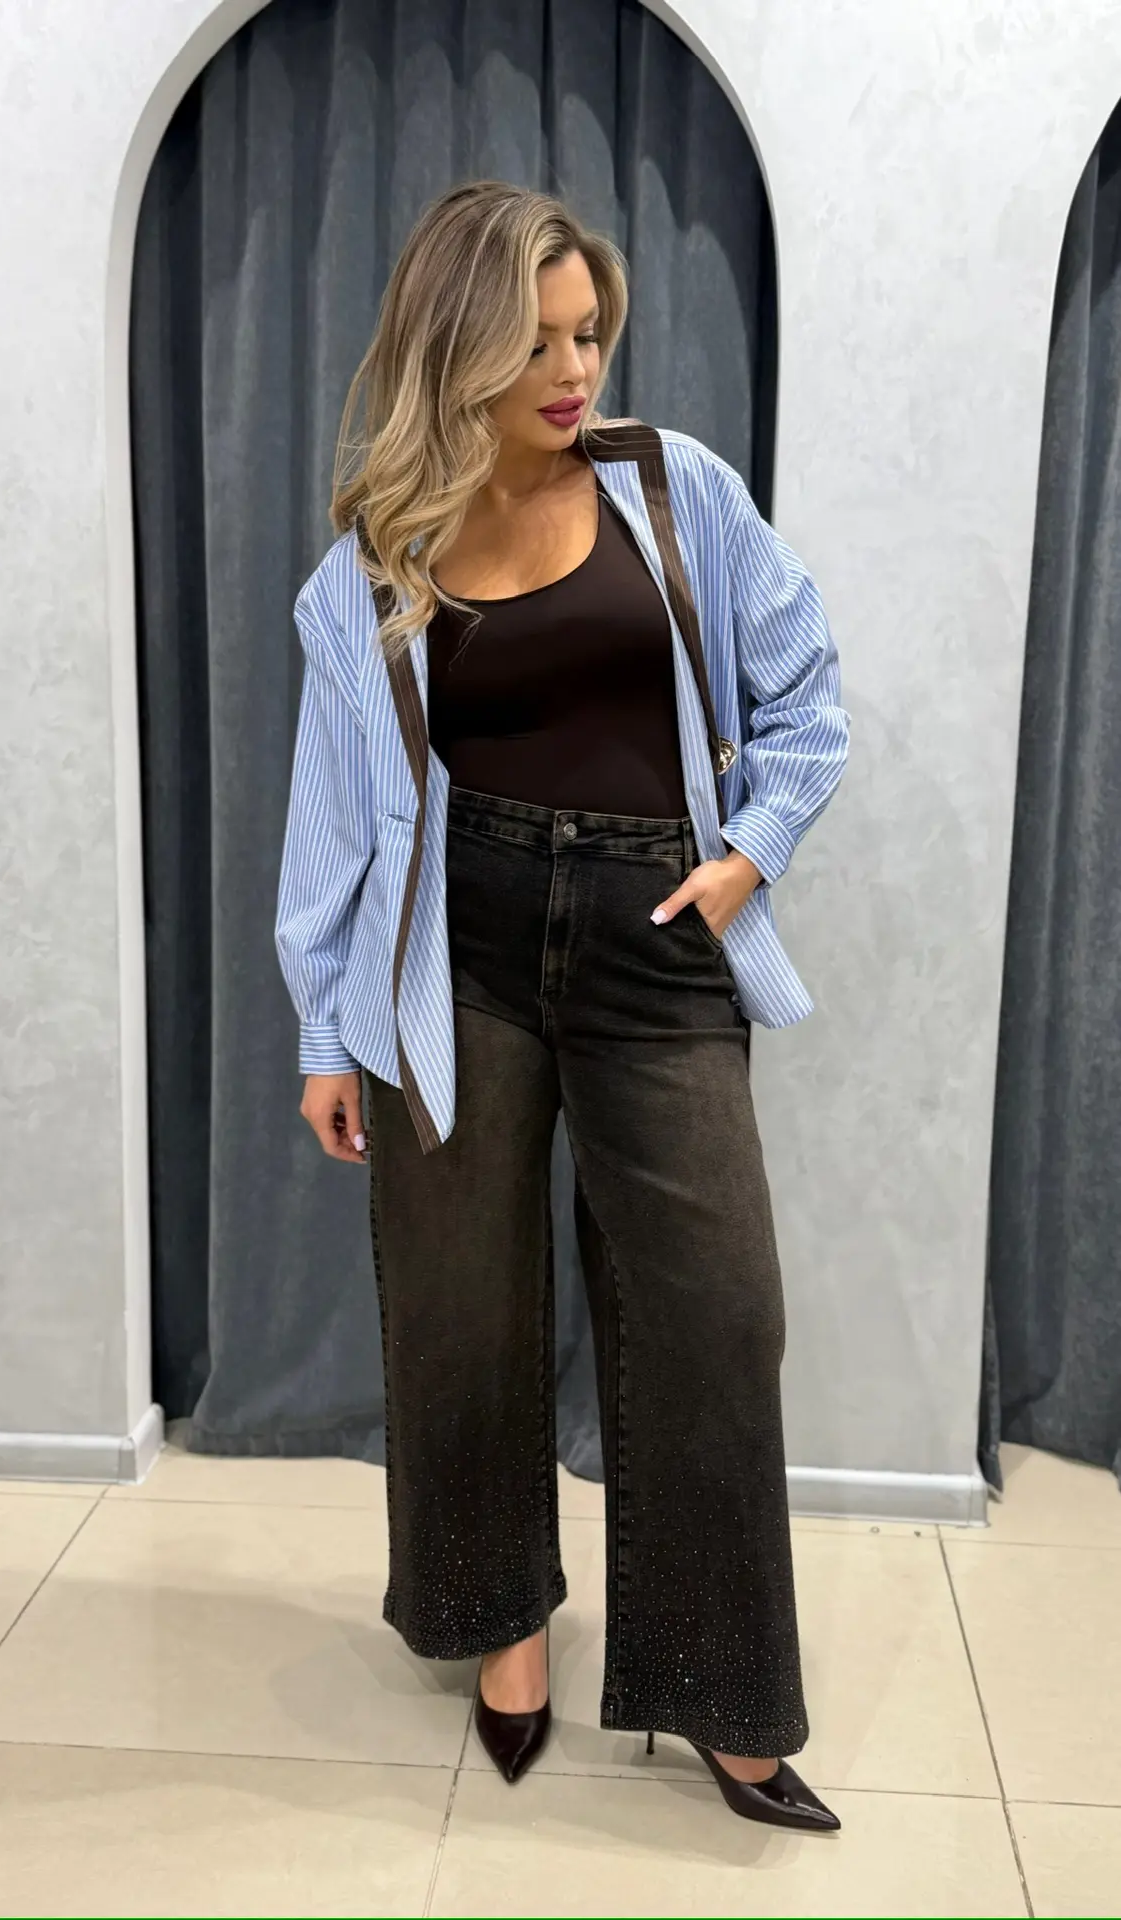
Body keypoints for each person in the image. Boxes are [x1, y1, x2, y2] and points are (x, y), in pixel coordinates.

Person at [276, 181, 849, 1832]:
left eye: (587, 334)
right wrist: (326, 1032)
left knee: (717, 1314)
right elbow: (336, 813)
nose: (572, 370)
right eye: (534, 342)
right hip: (445, 953)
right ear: (453, 348)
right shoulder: (375, 557)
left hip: (651, 938)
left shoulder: (675, 491)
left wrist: (745, 857)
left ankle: (722, 1695)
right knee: (457, 1306)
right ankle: (503, 1633)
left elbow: (805, 693)